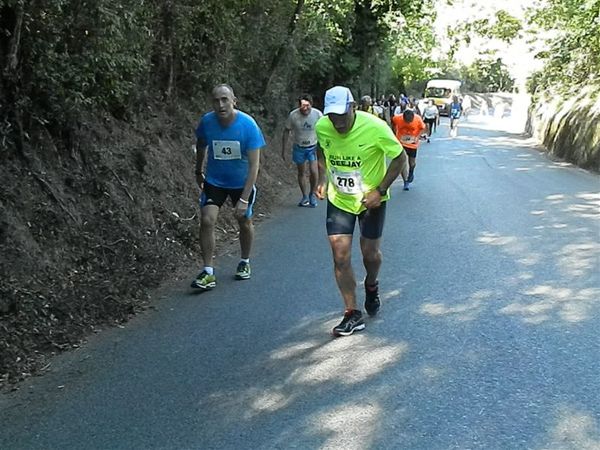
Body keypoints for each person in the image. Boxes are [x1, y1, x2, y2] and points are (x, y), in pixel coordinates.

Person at [315, 86, 409, 337]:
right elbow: (321, 150)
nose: (337, 122)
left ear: (353, 106)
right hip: (339, 201)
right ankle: (351, 313)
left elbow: (400, 158)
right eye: (332, 116)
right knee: (340, 256)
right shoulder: (322, 126)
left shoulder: (376, 127)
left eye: (342, 116)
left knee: (370, 254)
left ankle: (371, 284)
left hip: (371, 201)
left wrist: (380, 190)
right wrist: (323, 178)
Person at [190, 83, 265, 290]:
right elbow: (202, 144)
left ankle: (245, 261)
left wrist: (243, 199)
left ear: (234, 101)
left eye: (225, 100)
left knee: (244, 220)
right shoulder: (207, 122)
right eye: (216, 100)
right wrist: (198, 170)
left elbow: (254, 165)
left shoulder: (248, 125)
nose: (220, 104)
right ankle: (208, 271)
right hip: (215, 181)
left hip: (241, 183)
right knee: (207, 220)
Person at [282, 94, 323, 207]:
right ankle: (304, 196)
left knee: (314, 172)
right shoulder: (293, 115)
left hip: (313, 147)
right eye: (302, 106)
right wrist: (284, 150)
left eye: (307, 106)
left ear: (311, 104)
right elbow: (286, 131)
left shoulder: (318, 114)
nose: (305, 109)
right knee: (301, 172)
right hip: (299, 147)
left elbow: (325, 130)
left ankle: (312, 194)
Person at [392, 108, 426, 190]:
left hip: (412, 144)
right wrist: (394, 133)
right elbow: (393, 123)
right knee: (402, 162)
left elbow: (423, 128)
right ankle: (405, 182)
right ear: (403, 118)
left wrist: (417, 137)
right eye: (406, 121)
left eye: (409, 122)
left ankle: (411, 172)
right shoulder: (397, 118)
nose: (408, 123)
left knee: (412, 163)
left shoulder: (418, 119)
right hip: (401, 143)